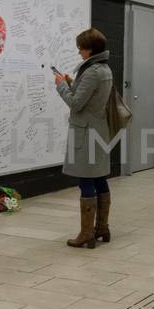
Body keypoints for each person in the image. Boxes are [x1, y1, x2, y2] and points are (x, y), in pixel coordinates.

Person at [52, 28, 114, 249]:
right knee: (99, 177)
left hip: (85, 132)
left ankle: (87, 233)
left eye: (81, 47)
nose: (79, 51)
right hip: (99, 129)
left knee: (86, 179)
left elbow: (76, 104)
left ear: (90, 49)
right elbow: (88, 98)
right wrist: (71, 82)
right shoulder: (104, 69)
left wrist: (60, 85)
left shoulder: (91, 72)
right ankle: (102, 228)